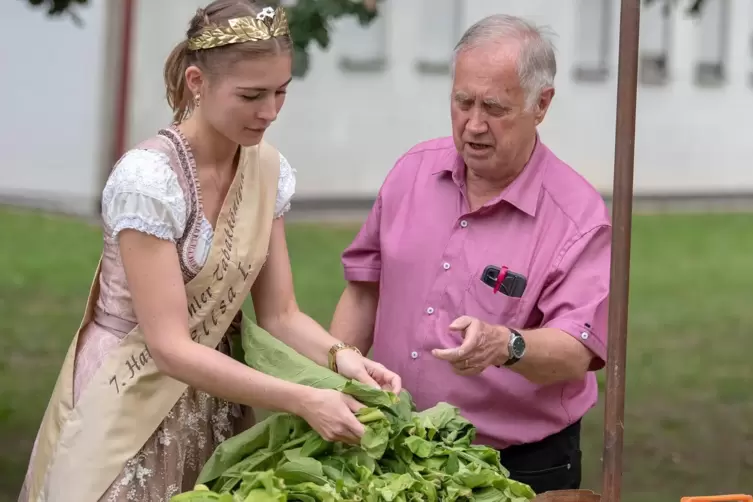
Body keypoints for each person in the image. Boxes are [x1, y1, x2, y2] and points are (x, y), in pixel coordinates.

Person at [18, 2, 401, 501]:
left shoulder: (267, 171)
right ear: (197, 82)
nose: (269, 111)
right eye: (251, 95)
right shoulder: (149, 181)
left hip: (217, 397)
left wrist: (343, 359)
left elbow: (281, 314)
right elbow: (170, 347)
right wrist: (306, 399)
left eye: (281, 92)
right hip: (128, 394)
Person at [330, 13, 612, 495]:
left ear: (541, 103)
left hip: (519, 467)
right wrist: (333, 379)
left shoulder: (577, 215)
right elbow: (363, 290)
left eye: (495, 108)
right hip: (395, 445)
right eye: (462, 102)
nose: (474, 125)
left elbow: (575, 351)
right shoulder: (411, 173)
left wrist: (507, 345)